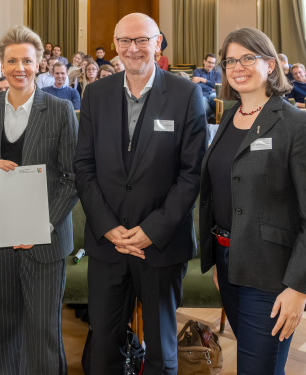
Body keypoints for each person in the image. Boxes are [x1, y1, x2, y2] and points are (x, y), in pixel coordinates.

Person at [74, 13, 207, 373]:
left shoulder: (186, 94)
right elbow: (83, 167)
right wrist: (107, 226)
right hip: (108, 244)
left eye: (142, 40)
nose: (133, 49)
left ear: (158, 42)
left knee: (162, 351)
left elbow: (191, 174)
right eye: (125, 41)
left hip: (161, 247)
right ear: (115, 46)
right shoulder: (96, 93)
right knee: (103, 344)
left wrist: (151, 231)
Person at [199, 27, 306, 375]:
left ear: (270, 65)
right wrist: (219, 257)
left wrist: (298, 288)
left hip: (273, 273)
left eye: (248, 58)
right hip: (229, 263)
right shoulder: (229, 116)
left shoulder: (297, 125)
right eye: (230, 60)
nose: (237, 66)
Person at [0, 24, 78, 375]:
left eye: (27, 60)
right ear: (1, 63)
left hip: (45, 238)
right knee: (1, 329)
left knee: (43, 330)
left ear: (40, 62)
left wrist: (42, 224)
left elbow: (72, 178)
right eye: (12, 60)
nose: (19, 68)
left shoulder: (59, 111)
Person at [192, 53, 222, 122]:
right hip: (203, 95)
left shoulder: (217, 73)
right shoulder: (197, 71)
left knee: (214, 97)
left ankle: (215, 119)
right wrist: (211, 87)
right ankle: (211, 117)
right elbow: (198, 86)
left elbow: (217, 86)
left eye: (213, 63)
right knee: (203, 104)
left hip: (213, 94)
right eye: (209, 62)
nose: (211, 65)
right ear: (204, 61)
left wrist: (203, 80)